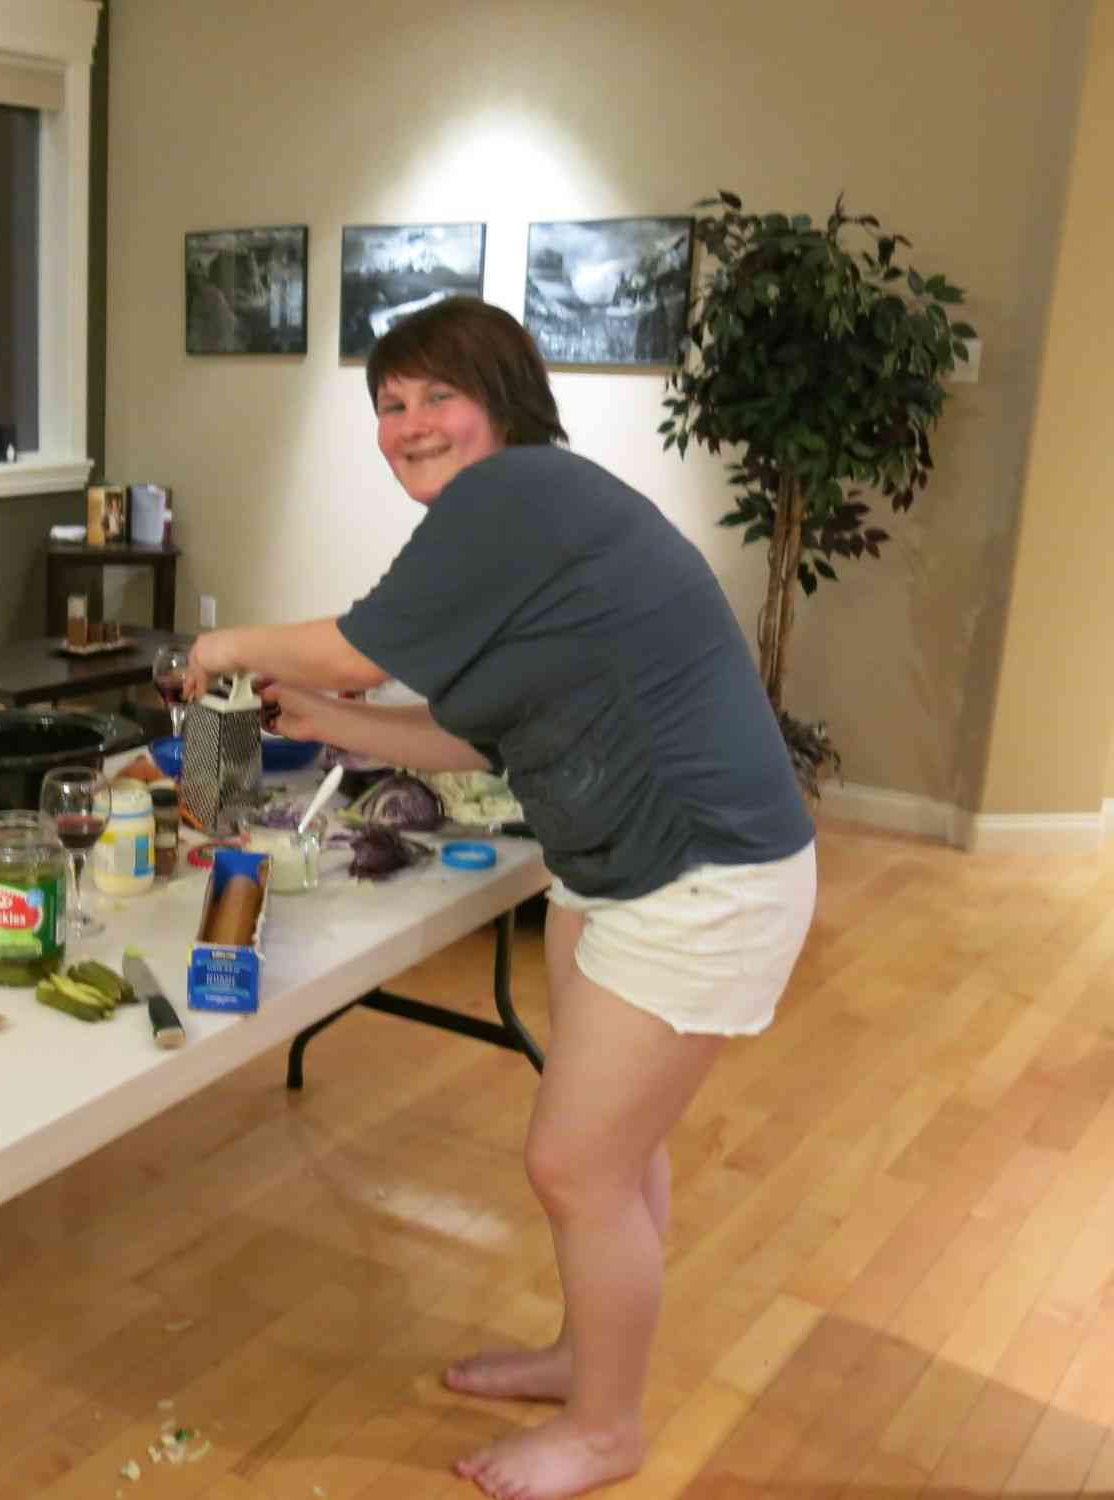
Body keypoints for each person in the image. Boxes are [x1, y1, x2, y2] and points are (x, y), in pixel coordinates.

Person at [185, 297, 815, 1500]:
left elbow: (357, 647)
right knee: (615, 1153)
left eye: (439, 395)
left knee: (575, 1167)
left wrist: (223, 649)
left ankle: (606, 1429)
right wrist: (322, 720)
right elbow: (471, 736)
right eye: (389, 404)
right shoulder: (524, 526)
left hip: (701, 872)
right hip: (618, 865)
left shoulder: (513, 494)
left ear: (505, 401)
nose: (409, 424)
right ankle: (587, 1358)